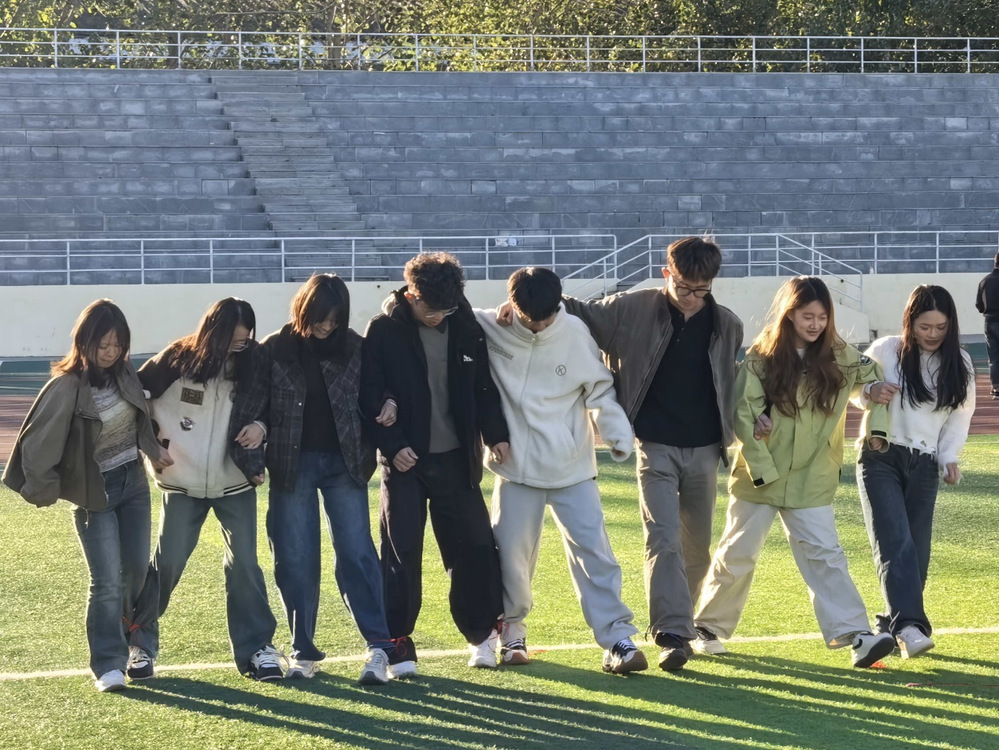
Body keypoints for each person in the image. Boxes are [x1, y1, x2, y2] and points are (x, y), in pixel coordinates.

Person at [502, 237, 743, 671]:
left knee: (697, 548)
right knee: (663, 538)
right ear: (666, 273)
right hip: (654, 445)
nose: (691, 297)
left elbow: (730, 382)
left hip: (706, 448)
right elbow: (572, 307)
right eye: (683, 286)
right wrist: (518, 307)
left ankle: (681, 624)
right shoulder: (631, 308)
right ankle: (671, 634)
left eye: (701, 290)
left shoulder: (727, 324)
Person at [692, 276, 897, 669]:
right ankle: (707, 628)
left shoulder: (841, 355)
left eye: (822, 317)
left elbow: (871, 382)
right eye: (807, 316)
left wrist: (875, 415)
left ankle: (857, 636)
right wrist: (759, 441)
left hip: (813, 476)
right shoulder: (762, 355)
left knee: (826, 555)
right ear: (789, 314)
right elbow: (743, 411)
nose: (816, 324)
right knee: (737, 552)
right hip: (759, 474)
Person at [475, 267, 647, 674]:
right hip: (515, 468)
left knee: (596, 554)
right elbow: (419, 306)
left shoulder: (575, 333)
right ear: (512, 304)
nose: (539, 325)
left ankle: (617, 639)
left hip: (572, 468)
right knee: (510, 556)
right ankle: (512, 632)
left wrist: (616, 432)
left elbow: (600, 388)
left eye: (547, 316)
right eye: (529, 318)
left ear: (558, 304)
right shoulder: (490, 325)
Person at [3, 299, 172, 692]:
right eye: (103, 345)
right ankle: (108, 664)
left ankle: (140, 648)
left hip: (133, 484)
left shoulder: (125, 372)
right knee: (107, 581)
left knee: (136, 572)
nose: (111, 353)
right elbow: (36, 443)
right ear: (84, 342)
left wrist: (152, 450)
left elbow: (140, 418)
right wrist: (44, 487)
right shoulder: (66, 386)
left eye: (118, 344)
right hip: (95, 494)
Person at [360, 252, 509, 677]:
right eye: (431, 308)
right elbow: (368, 393)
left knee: (474, 548)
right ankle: (398, 642)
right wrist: (393, 446)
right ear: (411, 295)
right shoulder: (383, 330)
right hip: (404, 465)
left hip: (458, 462)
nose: (438, 316)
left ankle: (481, 636)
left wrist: (496, 434)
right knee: (401, 552)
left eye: (446, 308)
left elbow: (484, 388)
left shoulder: (465, 325)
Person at [249, 274, 394, 685]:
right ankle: (303, 652)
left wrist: (390, 400)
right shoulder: (274, 349)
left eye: (334, 319)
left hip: (345, 463)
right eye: (320, 318)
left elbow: (380, 388)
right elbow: (254, 406)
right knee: (294, 557)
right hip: (290, 466)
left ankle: (379, 647)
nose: (327, 326)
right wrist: (252, 456)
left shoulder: (355, 347)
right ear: (302, 309)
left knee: (357, 553)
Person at [135, 298, 284, 681]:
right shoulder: (176, 359)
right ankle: (138, 643)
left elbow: (276, 406)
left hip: (235, 481)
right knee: (167, 562)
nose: (239, 346)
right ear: (212, 332)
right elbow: (134, 396)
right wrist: (150, 445)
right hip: (180, 482)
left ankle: (258, 650)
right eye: (232, 340)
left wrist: (261, 428)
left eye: (244, 340)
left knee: (245, 564)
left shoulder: (257, 361)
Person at [855, 285, 975, 658]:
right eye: (925, 326)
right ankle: (910, 627)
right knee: (895, 541)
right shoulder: (886, 350)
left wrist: (948, 456)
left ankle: (887, 627)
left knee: (917, 551)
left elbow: (960, 416)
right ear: (910, 322)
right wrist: (871, 390)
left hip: (925, 464)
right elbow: (853, 387)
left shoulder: (961, 363)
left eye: (941, 327)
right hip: (880, 456)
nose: (933, 334)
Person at [974, 252, 999, 399]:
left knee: (994, 357)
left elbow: (979, 305)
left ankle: (996, 388)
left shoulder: (984, 281)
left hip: (990, 322)